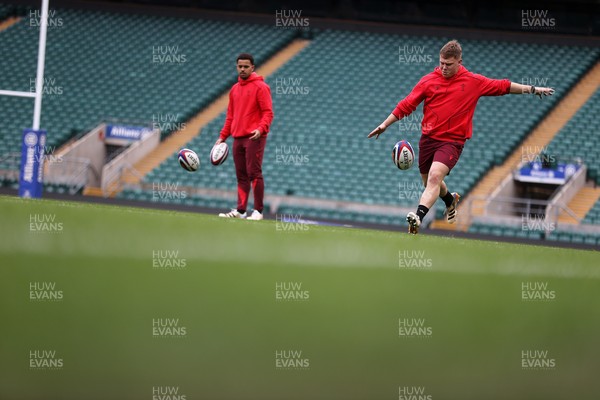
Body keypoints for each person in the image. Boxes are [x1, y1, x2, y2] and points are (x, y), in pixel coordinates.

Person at [368, 40, 554, 234]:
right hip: (428, 139)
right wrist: (384, 125)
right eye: (441, 63)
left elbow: (503, 86)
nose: (443, 67)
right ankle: (450, 200)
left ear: (459, 61)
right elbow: (407, 104)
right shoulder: (428, 80)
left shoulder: (473, 82)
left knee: (434, 177)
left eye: (448, 64)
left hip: (452, 142)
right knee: (429, 183)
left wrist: (532, 89)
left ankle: (418, 217)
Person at [217, 53, 274, 220]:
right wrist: (222, 136)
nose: (242, 69)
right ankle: (241, 211)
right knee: (241, 176)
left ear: (252, 67)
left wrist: (260, 129)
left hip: (254, 137)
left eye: (245, 66)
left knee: (254, 173)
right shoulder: (234, 89)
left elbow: (268, 113)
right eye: (239, 66)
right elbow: (230, 116)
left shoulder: (261, 87)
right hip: (237, 138)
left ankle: (258, 211)